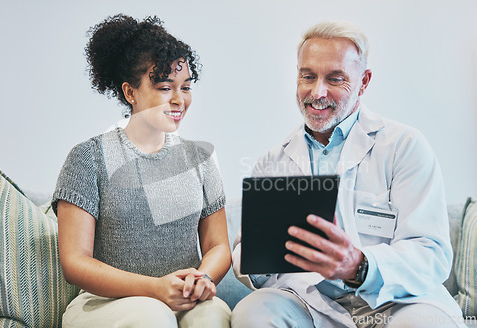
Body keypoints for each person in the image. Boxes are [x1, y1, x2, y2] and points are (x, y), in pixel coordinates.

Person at [231, 21, 466, 328]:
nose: (317, 92)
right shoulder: (272, 163)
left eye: (335, 78)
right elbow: (251, 258)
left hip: (396, 301)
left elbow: (430, 253)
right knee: (253, 313)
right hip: (311, 303)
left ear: (364, 81)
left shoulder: (404, 147)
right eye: (308, 76)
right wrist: (255, 259)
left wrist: (359, 266)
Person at [52, 14, 231, 328]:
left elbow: (218, 246)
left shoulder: (199, 160)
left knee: (214, 316)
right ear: (130, 92)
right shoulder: (89, 158)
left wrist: (200, 278)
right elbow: (75, 263)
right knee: (153, 316)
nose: (179, 100)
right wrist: (156, 289)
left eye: (185, 87)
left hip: (181, 299)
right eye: (164, 87)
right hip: (105, 305)